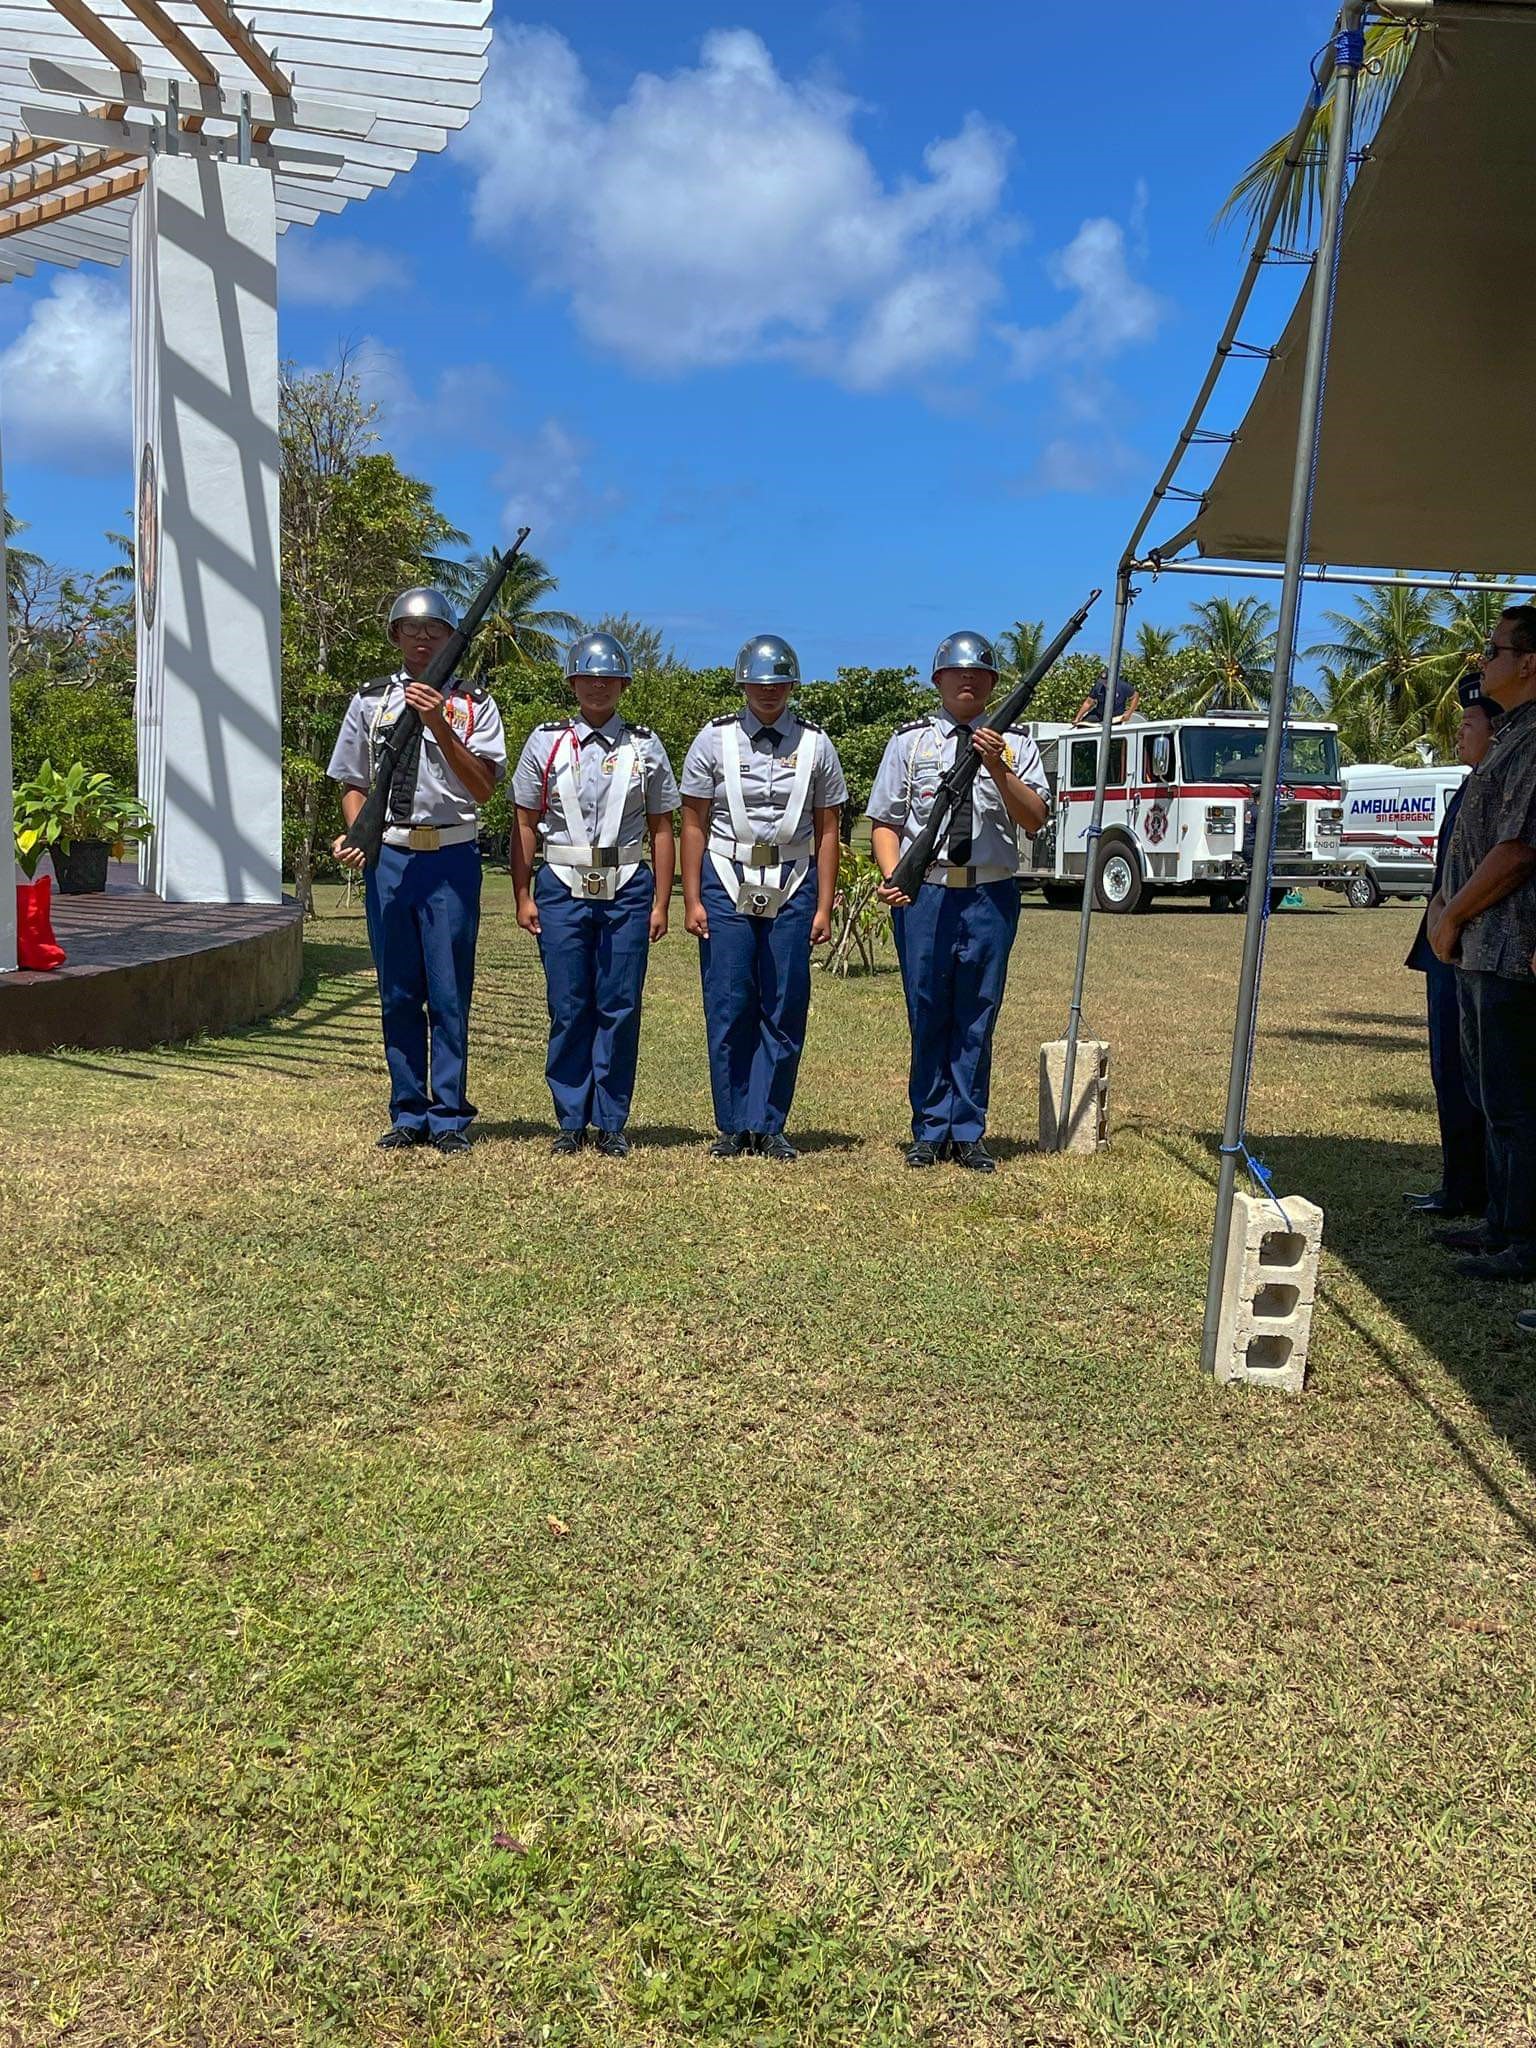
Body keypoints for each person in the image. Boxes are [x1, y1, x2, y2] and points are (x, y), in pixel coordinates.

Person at [330, 586, 506, 1154]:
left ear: (453, 638)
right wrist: (362, 835)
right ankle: (407, 1109)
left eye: (435, 629)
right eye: (411, 627)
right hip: (392, 857)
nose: (423, 637)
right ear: (395, 635)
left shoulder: (474, 704)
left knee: (450, 990)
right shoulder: (370, 701)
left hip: (451, 856)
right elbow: (354, 784)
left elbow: (482, 787)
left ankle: (449, 1114)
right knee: (398, 990)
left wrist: (440, 726)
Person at [868, 629, 1049, 1170]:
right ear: (938, 680)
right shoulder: (911, 743)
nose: (967, 680)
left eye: (980, 674)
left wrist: (997, 765)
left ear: (994, 684)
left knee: (977, 1012)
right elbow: (886, 821)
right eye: (957, 672)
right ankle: (928, 1128)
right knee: (927, 1009)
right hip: (928, 893)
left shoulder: (1019, 744)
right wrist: (895, 875)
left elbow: (1034, 819)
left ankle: (967, 1129)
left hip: (989, 894)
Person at [510, 632, 679, 1157]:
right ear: (573, 683)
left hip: (627, 885)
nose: (598, 686)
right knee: (568, 1003)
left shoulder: (644, 745)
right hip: (561, 886)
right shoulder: (546, 741)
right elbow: (524, 822)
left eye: (609, 678)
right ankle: (569, 1118)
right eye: (588, 677)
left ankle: (610, 1121)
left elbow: (662, 827)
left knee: (620, 1004)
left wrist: (661, 902)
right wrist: (522, 894)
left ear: (624, 684)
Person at [680, 634, 846, 1159]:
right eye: (758, 683)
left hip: (794, 880)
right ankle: (733, 1123)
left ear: (793, 685)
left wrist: (823, 903)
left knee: (784, 1001)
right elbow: (692, 823)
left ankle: (769, 1122)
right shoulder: (713, 740)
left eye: (778, 683)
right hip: (726, 877)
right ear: (743, 684)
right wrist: (692, 898)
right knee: (729, 1001)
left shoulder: (817, 744)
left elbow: (827, 829)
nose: (768, 692)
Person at [1427, 605, 1536, 1281]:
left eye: (1493, 651)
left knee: (1516, 1104)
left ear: (1529, 663)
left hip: (1504, 945)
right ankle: (1501, 1222)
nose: (1482, 662)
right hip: (1477, 945)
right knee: (1492, 1098)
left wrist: (1453, 915)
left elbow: (1518, 850)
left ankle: (1523, 1239)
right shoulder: (1511, 736)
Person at [1402, 693, 1497, 1219]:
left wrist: (1452, 917)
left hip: (1469, 943)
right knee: (1448, 1069)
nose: (1459, 733)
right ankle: (1459, 1185)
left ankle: (1478, 1194)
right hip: (1444, 939)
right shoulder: (1470, 783)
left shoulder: (1500, 785)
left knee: (1471, 1075)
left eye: (1469, 724)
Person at [1074, 665, 1140, 726]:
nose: (1104, 683)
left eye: (1106, 681)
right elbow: (1088, 702)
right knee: (1082, 726)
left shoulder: (1122, 686)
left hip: (1116, 717)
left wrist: (1129, 712)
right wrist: (1078, 717)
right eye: (1102, 681)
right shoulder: (1098, 686)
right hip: (1099, 715)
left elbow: (1135, 696)